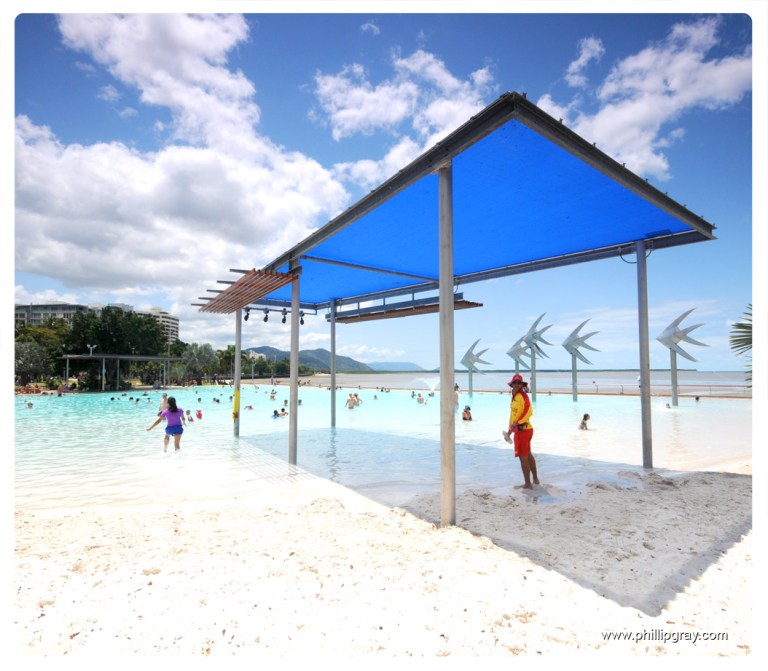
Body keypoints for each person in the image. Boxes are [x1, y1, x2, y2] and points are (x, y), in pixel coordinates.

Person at [502, 374, 539, 489]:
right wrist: (509, 432)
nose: (517, 385)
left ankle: (528, 484)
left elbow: (529, 411)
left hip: (524, 430)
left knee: (523, 457)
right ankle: (535, 480)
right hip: (521, 430)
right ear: (512, 384)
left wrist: (517, 422)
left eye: (519, 383)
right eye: (515, 383)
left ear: (522, 385)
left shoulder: (523, 396)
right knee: (527, 454)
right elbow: (512, 416)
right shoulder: (514, 396)